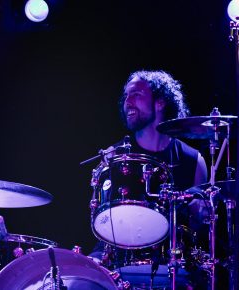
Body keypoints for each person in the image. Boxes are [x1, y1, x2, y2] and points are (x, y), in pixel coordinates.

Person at [88, 70, 209, 289]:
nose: (128, 101)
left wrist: (200, 212)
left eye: (135, 94)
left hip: (174, 268)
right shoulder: (114, 159)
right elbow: (103, 224)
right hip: (119, 265)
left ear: (160, 102)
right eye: (126, 96)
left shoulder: (193, 161)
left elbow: (197, 229)